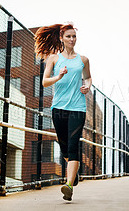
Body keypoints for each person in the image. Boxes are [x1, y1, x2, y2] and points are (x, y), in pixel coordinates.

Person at [34, 23, 92, 201]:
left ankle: (68, 185)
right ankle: (74, 176)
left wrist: (87, 87)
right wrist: (59, 76)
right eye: (68, 36)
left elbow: (88, 77)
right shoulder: (53, 59)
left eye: (74, 36)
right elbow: (45, 82)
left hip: (77, 108)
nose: (72, 39)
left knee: (74, 146)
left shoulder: (83, 60)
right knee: (65, 148)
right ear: (61, 38)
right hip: (58, 109)